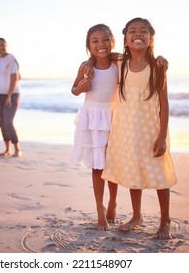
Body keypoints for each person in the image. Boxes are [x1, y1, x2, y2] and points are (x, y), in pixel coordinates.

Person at [102, 18, 177, 239]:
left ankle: (165, 220)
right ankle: (137, 216)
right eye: (132, 31)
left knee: (159, 174)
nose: (138, 34)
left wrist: (162, 136)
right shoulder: (119, 62)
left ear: (151, 38)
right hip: (125, 129)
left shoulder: (157, 67)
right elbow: (98, 56)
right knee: (133, 170)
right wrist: (87, 64)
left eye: (143, 31)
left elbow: (164, 105)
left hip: (150, 129)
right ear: (125, 38)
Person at [70, 24, 119, 230]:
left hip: (115, 116)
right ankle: (100, 210)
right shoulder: (85, 67)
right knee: (98, 167)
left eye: (105, 39)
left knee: (113, 164)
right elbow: (74, 90)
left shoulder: (119, 62)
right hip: (92, 118)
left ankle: (112, 203)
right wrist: (80, 87)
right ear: (88, 46)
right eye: (95, 41)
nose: (101, 44)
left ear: (113, 41)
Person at [0, 38, 22, 157]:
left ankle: (17, 148)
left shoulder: (11, 59)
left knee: (8, 122)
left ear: (6, 45)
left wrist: (9, 96)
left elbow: (14, 78)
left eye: (2, 45)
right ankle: (7, 149)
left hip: (12, 95)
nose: (0, 47)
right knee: (1, 123)